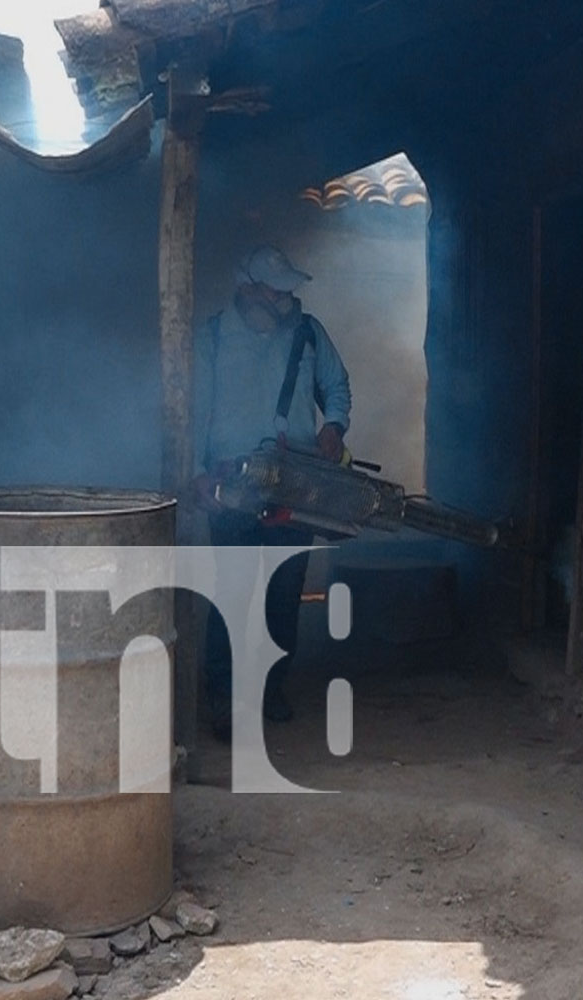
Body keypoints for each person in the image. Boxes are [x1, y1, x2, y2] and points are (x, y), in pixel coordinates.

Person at [193, 245, 352, 742]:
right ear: (246, 286)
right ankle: (222, 696)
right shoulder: (214, 336)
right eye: (274, 289)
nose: (285, 299)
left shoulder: (308, 333)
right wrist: (197, 474)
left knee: (285, 591)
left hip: (297, 480)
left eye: (288, 291)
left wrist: (335, 427)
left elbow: (338, 387)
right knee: (233, 591)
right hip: (233, 479)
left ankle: (270, 689)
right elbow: (191, 408)